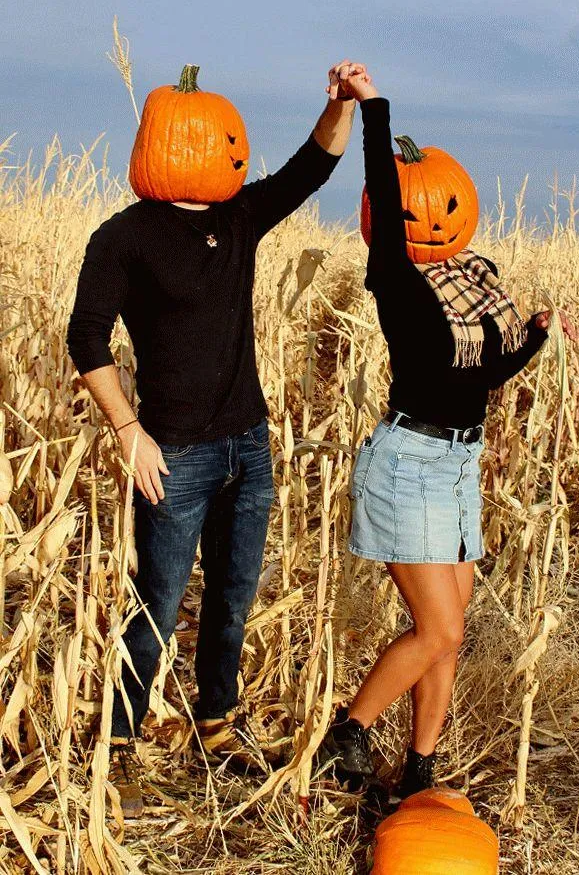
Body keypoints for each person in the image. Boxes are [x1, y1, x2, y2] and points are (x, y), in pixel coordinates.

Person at [67, 60, 365, 817]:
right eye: (224, 140)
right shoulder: (124, 238)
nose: (237, 150)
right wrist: (129, 432)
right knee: (158, 603)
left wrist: (339, 104)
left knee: (233, 598)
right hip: (176, 455)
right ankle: (122, 741)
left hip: (248, 446)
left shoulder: (238, 217)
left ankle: (216, 718)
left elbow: (313, 166)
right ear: (177, 142)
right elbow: (86, 339)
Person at [322, 70, 577, 798]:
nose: (434, 218)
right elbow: (382, 175)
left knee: (450, 636)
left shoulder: (475, 284)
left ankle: (420, 771)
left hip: (460, 466)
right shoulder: (397, 278)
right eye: (414, 208)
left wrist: (535, 336)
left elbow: (485, 376)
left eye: (449, 205)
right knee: (437, 631)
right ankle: (349, 732)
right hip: (409, 463)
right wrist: (374, 109)